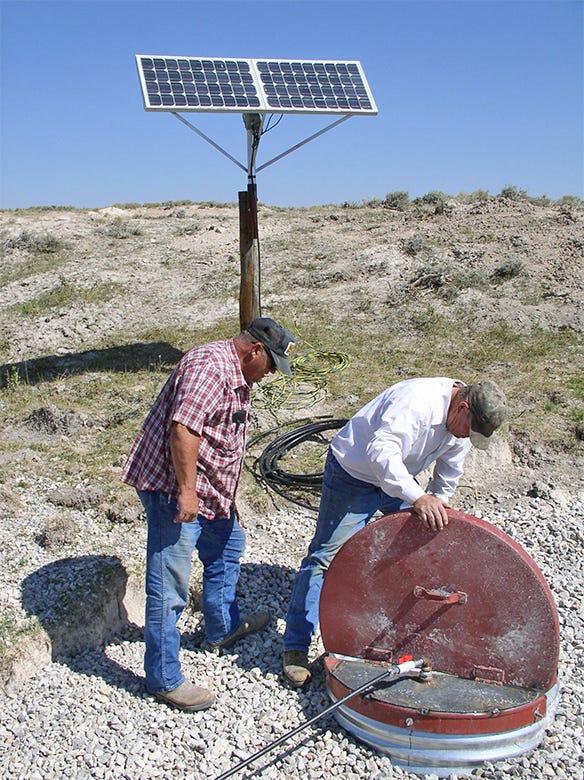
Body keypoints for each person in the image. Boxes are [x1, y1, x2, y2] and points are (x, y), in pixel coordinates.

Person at [282, 377, 508, 686]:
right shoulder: (416, 404)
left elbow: (449, 470)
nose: (465, 437)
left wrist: (437, 504)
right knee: (325, 557)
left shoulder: (462, 420)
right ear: (463, 407)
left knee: (416, 549)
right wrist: (418, 497)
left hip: (401, 478)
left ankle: (395, 634)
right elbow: (381, 452)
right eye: (468, 431)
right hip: (356, 474)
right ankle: (295, 647)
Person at [122, 317, 296, 711]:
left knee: (229, 542)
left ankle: (221, 628)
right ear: (255, 351)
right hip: (177, 492)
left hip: (210, 493)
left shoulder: (237, 371)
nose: (269, 375)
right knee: (169, 588)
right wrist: (186, 493)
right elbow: (183, 430)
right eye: (270, 366)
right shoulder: (209, 368)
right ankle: (163, 678)